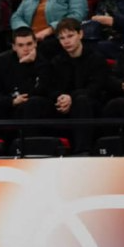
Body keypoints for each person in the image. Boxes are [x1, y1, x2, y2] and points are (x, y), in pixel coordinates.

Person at [0, 26, 54, 137]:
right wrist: (11, 101)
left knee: (32, 104)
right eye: (21, 45)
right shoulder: (2, 60)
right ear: (14, 47)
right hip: (8, 103)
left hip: (33, 105)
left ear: (35, 44)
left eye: (29, 44)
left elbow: (43, 90)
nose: (26, 49)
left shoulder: (43, 62)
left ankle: (29, 149)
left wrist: (30, 66)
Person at [48, 17, 108, 154]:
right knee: (38, 102)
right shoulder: (56, 61)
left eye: (70, 36)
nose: (66, 41)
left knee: (82, 101)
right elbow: (50, 87)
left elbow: (96, 87)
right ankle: (36, 149)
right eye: (62, 38)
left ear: (80, 34)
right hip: (63, 106)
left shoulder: (96, 58)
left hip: (91, 105)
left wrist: (71, 98)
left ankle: (82, 151)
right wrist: (60, 98)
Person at [9, 0, 88, 59]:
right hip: (29, 38)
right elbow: (16, 17)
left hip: (56, 35)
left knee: (43, 50)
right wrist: (26, 32)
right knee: (4, 59)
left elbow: (77, 15)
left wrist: (50, 29)